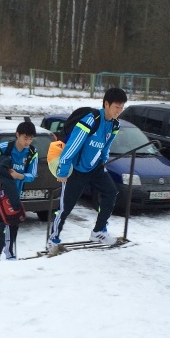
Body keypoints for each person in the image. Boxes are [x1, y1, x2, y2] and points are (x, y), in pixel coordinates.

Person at [47, 87, 128, 254]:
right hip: (75, 169)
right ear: (106, 104)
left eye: (122, 108)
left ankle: (98, 231)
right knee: (65, 207)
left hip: (95, 168)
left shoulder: (114, 124)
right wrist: (63, 170)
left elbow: (107, 144)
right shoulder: (91, 120)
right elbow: (72, 146)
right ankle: (53, 239)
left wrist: (103, 159)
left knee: (111, 192)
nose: (119, 111)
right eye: (116, 107)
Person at [0, 120, 38, 261]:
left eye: (30, 138)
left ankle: (2, 255)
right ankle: (3, 255)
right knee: (2, 226)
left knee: (13, 225)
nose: (27, 142)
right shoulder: (5, 147)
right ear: (17, 135)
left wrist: (19, 176)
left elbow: (33, 175)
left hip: (14, 195)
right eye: (25, 138)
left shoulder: (32, 152)